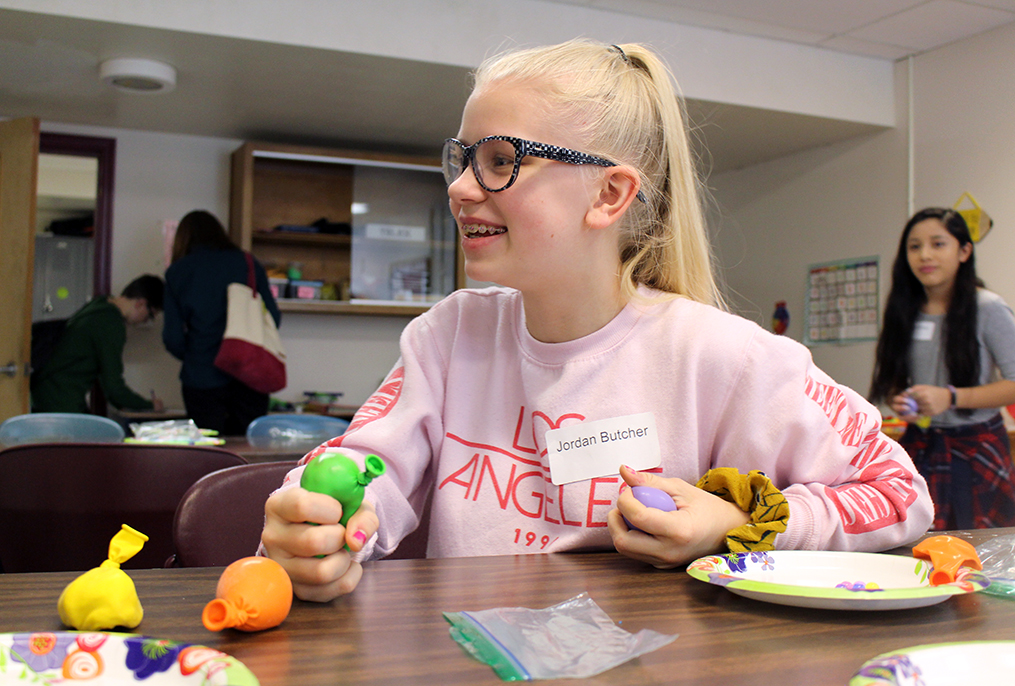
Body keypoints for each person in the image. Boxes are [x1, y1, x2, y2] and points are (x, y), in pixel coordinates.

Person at [261, 39, 933, 602]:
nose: (461, 187)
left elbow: (898, 492)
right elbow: (360, 465)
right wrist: (315, 524)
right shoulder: (447, 335)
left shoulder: (723, 357)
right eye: (462, 159)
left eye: (499, 161)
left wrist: (740, 525)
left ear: (608, 194)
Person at [870, 207, 1015, 530]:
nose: (925, 255)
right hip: (920, 445)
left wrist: (951, 398)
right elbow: (895, 378)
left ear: (964, 251)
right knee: (915, 545)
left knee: (979, 555)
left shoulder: (987, 307)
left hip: (975, 448)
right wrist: (898, 398)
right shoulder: (903, 309)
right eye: (914, 246)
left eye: (938, 244)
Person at [163, 210, 281, 436]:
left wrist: (196, 354)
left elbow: (172, 337)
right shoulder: (247, 262)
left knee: (210, 452)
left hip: (201, 376)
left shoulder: (177, 272)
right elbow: (272, 318)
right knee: (250, 450)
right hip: (249, 374)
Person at [31, 275, 165, 413]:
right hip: (61, 401)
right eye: (151, 315)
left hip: (43, 394)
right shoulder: (111, 323)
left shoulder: (99, 305)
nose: (146, 321)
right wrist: (149, 405)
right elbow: (113, 387)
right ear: (141, 303)